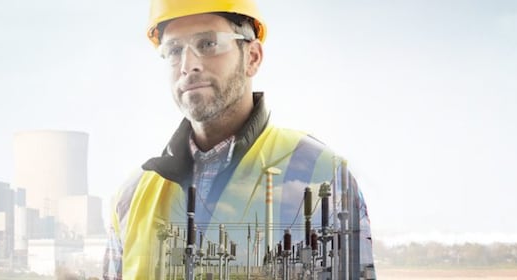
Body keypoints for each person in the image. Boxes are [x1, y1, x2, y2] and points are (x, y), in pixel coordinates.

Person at [102, 0, 376, 279]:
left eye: (208, 44)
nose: (188, 65)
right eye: (174, 50)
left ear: (253, 57)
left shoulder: (323, 174)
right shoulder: (131, 196)